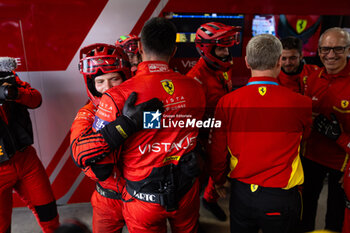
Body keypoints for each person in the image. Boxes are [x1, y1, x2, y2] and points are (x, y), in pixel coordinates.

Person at [93, 17, 206, 233]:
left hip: (142, 198)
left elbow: (100, 153)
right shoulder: (195, 88)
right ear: (174, 50)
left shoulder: (117, 94)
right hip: (187, 190)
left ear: (141, 48)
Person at [208, 34, 312, 233]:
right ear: (279, 61)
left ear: (247, 62)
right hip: (281, 196)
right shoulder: (302, 103)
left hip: (241, 194)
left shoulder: (227, 102)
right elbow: (305, 136)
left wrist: (218, 180)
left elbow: (217, 149)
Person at [70, 43, 131, 233]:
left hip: (142, 196)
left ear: (126, 78)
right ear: (91, 85)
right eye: (100, 82)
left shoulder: (141, 106)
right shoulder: (87, 114)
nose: (108, 88)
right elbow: (82, 157)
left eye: (114, 79)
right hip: (107, 198)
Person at [186, 21, 241, 221]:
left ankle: (210, 200)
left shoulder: (223, 67)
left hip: (220, 133)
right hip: (201, 139)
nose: (226, 52)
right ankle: (192, 220)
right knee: (195, 184)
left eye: (227, 47)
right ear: (206, 49)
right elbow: (187, 122)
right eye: (221, 48)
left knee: (220, 170)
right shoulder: (195, 80)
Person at [0, 57, 59, 233]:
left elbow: (36, 100)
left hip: (26, 160)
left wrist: (14, 93)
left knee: (50, 216)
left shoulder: (8, 76)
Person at [302, 27, 350, 232]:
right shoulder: (312, 78)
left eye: (338, 49)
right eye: (325, 49)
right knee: (305, 209)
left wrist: (340, 137)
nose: (330, 55)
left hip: (342, 163)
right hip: (311, 156)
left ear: (348, 50)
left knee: (335, 216)